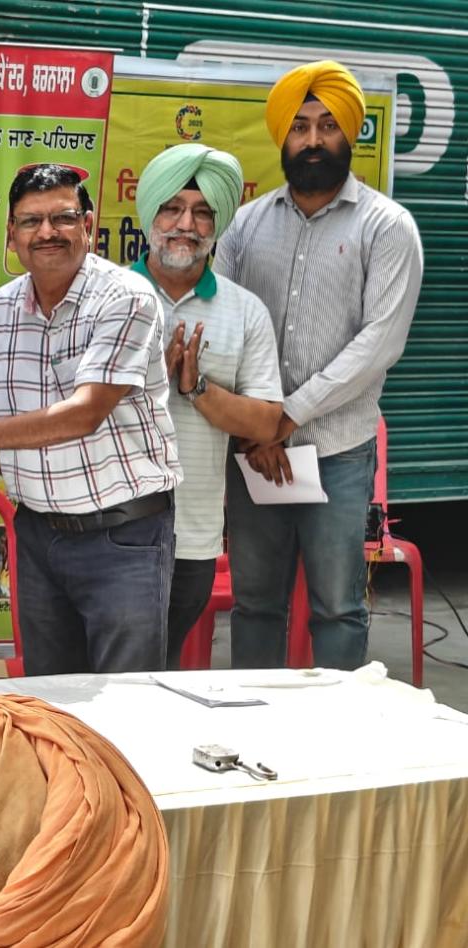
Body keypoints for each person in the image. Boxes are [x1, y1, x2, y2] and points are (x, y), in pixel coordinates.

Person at [0, 164, 181, 675]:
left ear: (88, 226)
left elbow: (84, 414)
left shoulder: (126, 297)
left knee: (126, 698)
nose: (47, 232)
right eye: (30, 221)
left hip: (123, 537)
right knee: (50, 697)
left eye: (63, 218)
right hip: (35, 536)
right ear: (11, 234)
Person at [216, 61, 423, 670]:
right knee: (255, 605)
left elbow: (379, 343)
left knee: (337, 608)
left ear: (349, 134)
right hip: (255, 452)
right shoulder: (247, 224)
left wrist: (285, 416)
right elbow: (221, 323)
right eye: (300, 126)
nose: (312, 140)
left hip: (337, 452)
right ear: (282, 136)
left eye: (328, 125)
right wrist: (255, 426)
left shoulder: (387, 226)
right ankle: (252, 720)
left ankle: (341, 725)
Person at [131, 144, 284, 668]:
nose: (185, 225)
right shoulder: (107, 296)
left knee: (160, 666)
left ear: (217, 226)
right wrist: (149, 379)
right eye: (172, 208)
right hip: (110, 531)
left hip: (191, 533)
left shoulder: (244, 311)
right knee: (101, 678)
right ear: (149, 215)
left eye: (201, 213)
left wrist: (197, 389)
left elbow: (266, 423)